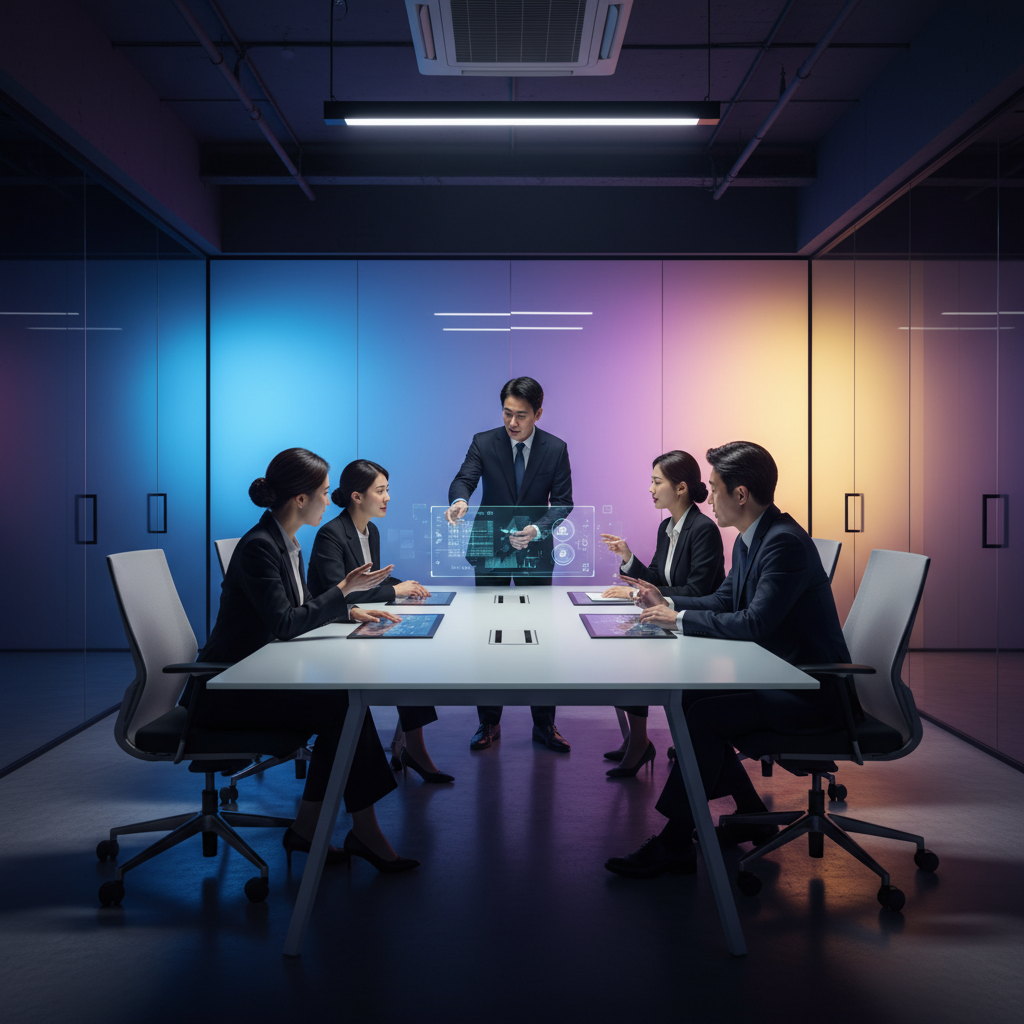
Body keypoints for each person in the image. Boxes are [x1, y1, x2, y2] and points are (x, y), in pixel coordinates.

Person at [606, 441, 855, 878]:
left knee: (701, 717)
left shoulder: (783, 544)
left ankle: (676, 840)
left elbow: (755, 623)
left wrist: (677, 619)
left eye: (715, 488)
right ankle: (748, 812)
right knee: (690, 701)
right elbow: (725, 598)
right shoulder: (752, 538)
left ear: (740, 495)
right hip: (777, 675)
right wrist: (667, 603)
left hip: (808, 690)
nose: (708, 495)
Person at [193, 448, 418, 873]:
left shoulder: (286, 542)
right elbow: (284, 622)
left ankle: (312, 829)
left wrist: (347, 608)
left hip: (257, 675)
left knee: (345, 705)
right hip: (227, 689)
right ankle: (357, 831)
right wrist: (344, 592)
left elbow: (298, 608)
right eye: (324, 492)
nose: (328, 499)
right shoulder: (261, 547)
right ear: (300, 499)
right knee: (343, 707)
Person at [445, 376, 574, 752]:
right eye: (507, 413)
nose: (512, 422)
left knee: (540, 639)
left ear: (538, 413)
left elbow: (564, 502)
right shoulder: (484, 441)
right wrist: (460, 501)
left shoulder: (556, 448)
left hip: (534, 548)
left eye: (521, 415)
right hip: (491, 547)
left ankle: (545, 726)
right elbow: (464, 478)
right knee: (490, 636)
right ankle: (488, 723)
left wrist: (537, 529)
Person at [307, 459, 453, 784]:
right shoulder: (331, 535)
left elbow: (371, 582)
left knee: (410, 656)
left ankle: (413, 747)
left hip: (360, 623)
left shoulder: (369, 529)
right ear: (357, 496)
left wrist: (403, 587)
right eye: (381, 491)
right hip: (333, 630)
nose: (387, 498)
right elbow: (344, 595)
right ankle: (411, 751)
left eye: (387, 490)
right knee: (403, 657)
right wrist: (395, 590)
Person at [598, 450, 724, 776]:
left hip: (697, 627)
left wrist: (641, 594)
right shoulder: (667, 526)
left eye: (657, 482)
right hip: (672, 621)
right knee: (622, 646)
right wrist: (628, 557)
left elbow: (698, 592)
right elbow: (656, 578)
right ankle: (637, 741)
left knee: (632, 655)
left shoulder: (703, 529)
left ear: (680, 488)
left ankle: (639, 743)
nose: (651, 488)